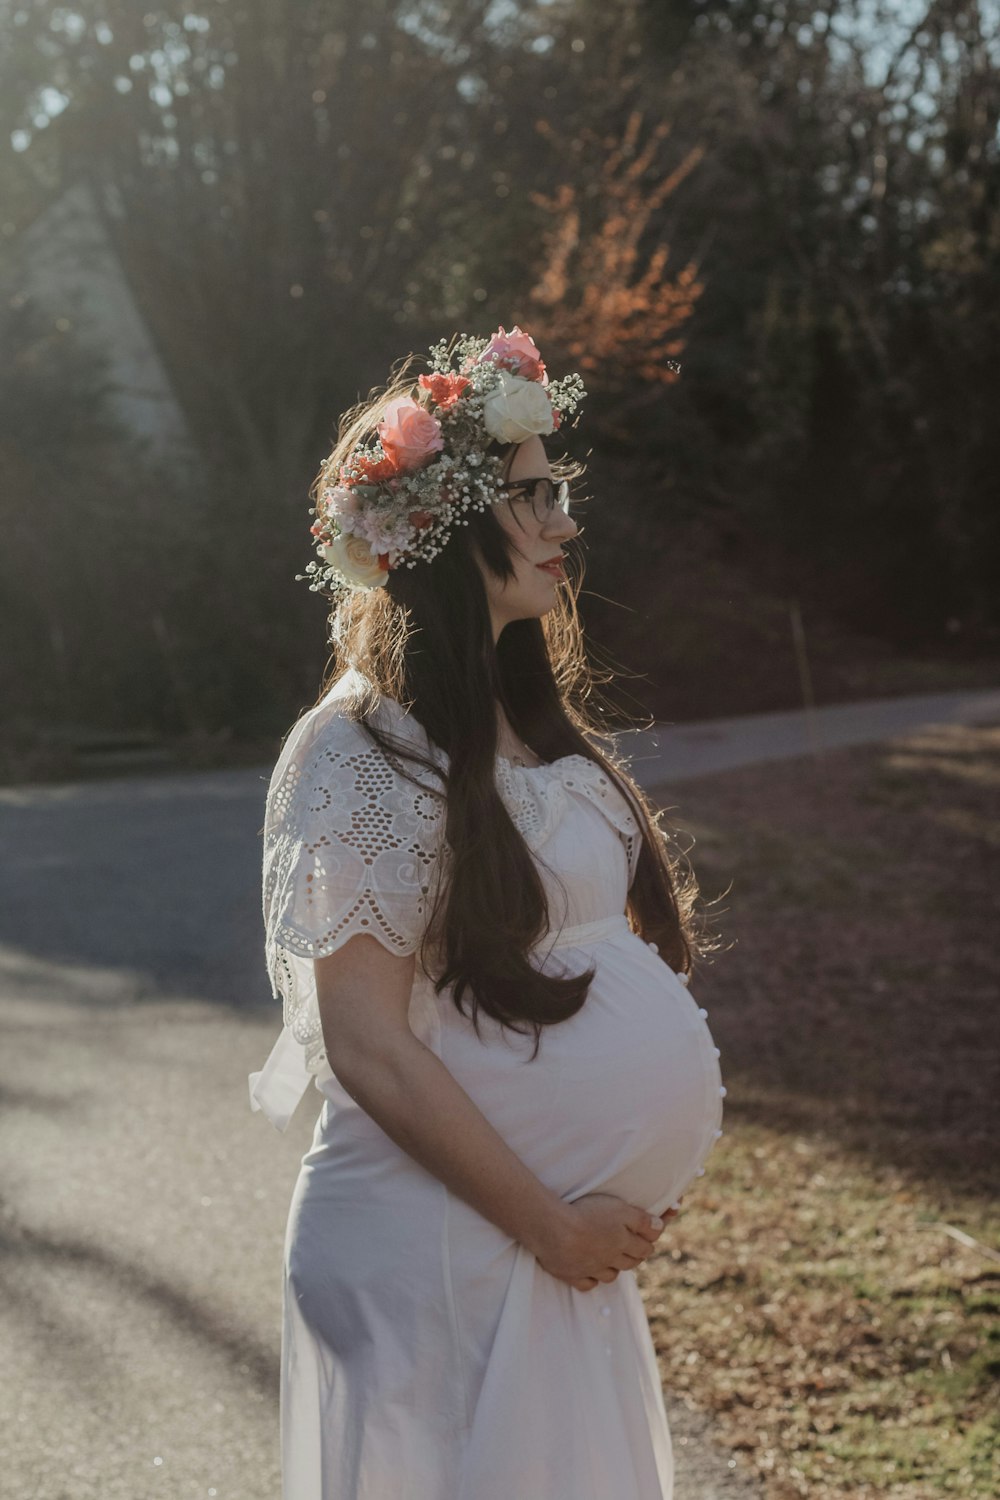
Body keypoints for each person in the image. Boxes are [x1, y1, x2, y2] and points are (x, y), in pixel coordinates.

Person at [250, 325, 725, 1499]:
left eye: (558, 491)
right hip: (439, 1255)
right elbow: (363, 1040)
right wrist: (547, 1223)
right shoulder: (358, 748)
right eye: (534, 494)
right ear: (446, 530)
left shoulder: (529, 715)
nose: (564, 520)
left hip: (534, 1259)